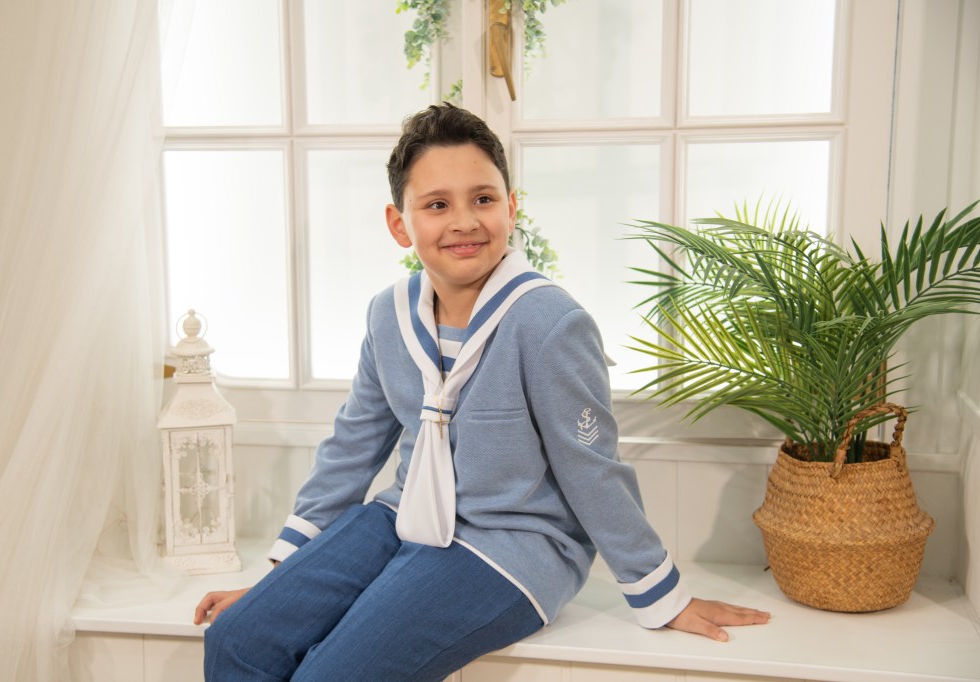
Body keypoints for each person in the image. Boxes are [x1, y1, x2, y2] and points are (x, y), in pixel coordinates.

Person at [195, 103, 770, 681]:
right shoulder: (388, 314)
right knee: (237, 638)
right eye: (437, 205)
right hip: (402, 517)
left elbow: (592, 468)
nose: (464, 221)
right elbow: (353, 445)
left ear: (511, 208)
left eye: (484, 199)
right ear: (399, 224)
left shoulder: (549, 323)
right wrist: (283, 579)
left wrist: (662, 595)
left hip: (511, 544)